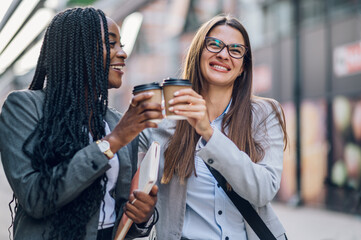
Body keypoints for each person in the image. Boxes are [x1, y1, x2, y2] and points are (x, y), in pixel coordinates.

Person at [0, 7, 163, 240]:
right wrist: (112, 142)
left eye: (121, 45)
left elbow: (118, 211)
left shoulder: (115, 121)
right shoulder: (25, 107)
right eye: (111, 43)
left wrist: (141, 216)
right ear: (77, 49)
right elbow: (35, 197)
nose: (123, 53)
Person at [140, 15, 288, 240]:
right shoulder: (166, 119)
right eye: (214, 44)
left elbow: (264, 190)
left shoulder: (264, 114)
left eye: (235, 50)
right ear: (198, 52)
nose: (223, 54)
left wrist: (208, 133)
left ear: (242, 67)